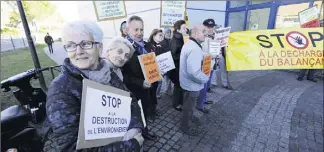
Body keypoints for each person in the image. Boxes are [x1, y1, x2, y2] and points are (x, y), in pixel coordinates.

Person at [44, 21, 144, 152]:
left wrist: (135, 128)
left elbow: (131, 101)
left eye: (86, 44)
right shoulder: (61, 89)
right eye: (71, 45)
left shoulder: (108, 73)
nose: (78, 51)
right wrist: (130, 145)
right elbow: (71, 148)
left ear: (100, 48)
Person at [121, 15, 157, 141]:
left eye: (141, 29)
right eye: (136, 30)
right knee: (134, 117)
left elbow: (150, 63)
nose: (139, 33)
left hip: (147, 89)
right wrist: (140, 82)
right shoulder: (122, 48)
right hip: (132, 92)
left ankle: (145, 131)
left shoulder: (146, 45)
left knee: (145, 113)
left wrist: (157, 70)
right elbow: (121, 76)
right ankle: (136, 139)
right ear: (127, 30)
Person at [179, 24, 209, 136]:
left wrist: (209, 56)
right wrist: (205, 78)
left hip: (188, 83)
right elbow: (194, 72)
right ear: (195, 34)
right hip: (192, 85)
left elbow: (198, 57)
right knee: (189, 107)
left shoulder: (191, 44)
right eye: (203, 31)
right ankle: (185, 127)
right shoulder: (194, 48)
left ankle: (188, 120)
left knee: (188, 105)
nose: (206, 33)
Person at [196, 19, 218, 113]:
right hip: (205, 65)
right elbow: (203, 53)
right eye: (208, 27)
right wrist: (213, 55)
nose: (210, 29)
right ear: (204, 26)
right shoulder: (203, 37)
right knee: (203, 86)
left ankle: (204, 100)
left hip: (211, 64)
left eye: (212, 27)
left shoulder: (214, 37)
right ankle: (200, 104)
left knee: (207, 85)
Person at [168, 20, 188, 111]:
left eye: (185, 27)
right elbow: (173, 55)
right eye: (184, 28)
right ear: (178, 29)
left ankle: (180, 102)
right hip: (176, 68)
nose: (186, 29)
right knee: (178, 86)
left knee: (180, 85)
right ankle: (176, 104)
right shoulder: (176, 39)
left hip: (180, 67)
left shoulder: (182, 38)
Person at [147, 29, 168, 100]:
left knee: (158, 84)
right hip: (151, 73)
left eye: (162, 35)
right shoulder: (148, 46)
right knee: (151, 89)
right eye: (160, 35)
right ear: (154, 36)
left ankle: (155, 97)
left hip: (158, 71)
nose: (162, 37)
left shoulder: (159, 46)